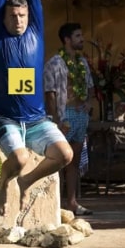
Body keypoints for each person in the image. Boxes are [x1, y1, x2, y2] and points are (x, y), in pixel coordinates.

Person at [0, 0, 73, 217]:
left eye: (23, 15)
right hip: (5, 117)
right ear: (4, 19)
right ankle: (2, 184)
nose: (19, 20)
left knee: (65, 154)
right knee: (20, 158)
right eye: (13, 16)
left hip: (36, 120)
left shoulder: (35, 32)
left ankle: (26, 182)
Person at [44, 22, 94, 216]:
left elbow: (90, 85)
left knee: (73, 161)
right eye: (78, 36)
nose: (82, 39)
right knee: (59, 160)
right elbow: (50, 93)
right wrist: (56, 121)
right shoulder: (55, 63)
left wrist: (88, 103)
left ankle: (72, 202)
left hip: (80, 115)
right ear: (67, 39)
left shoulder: (82, 62)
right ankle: (54, 204)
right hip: (64, 116)